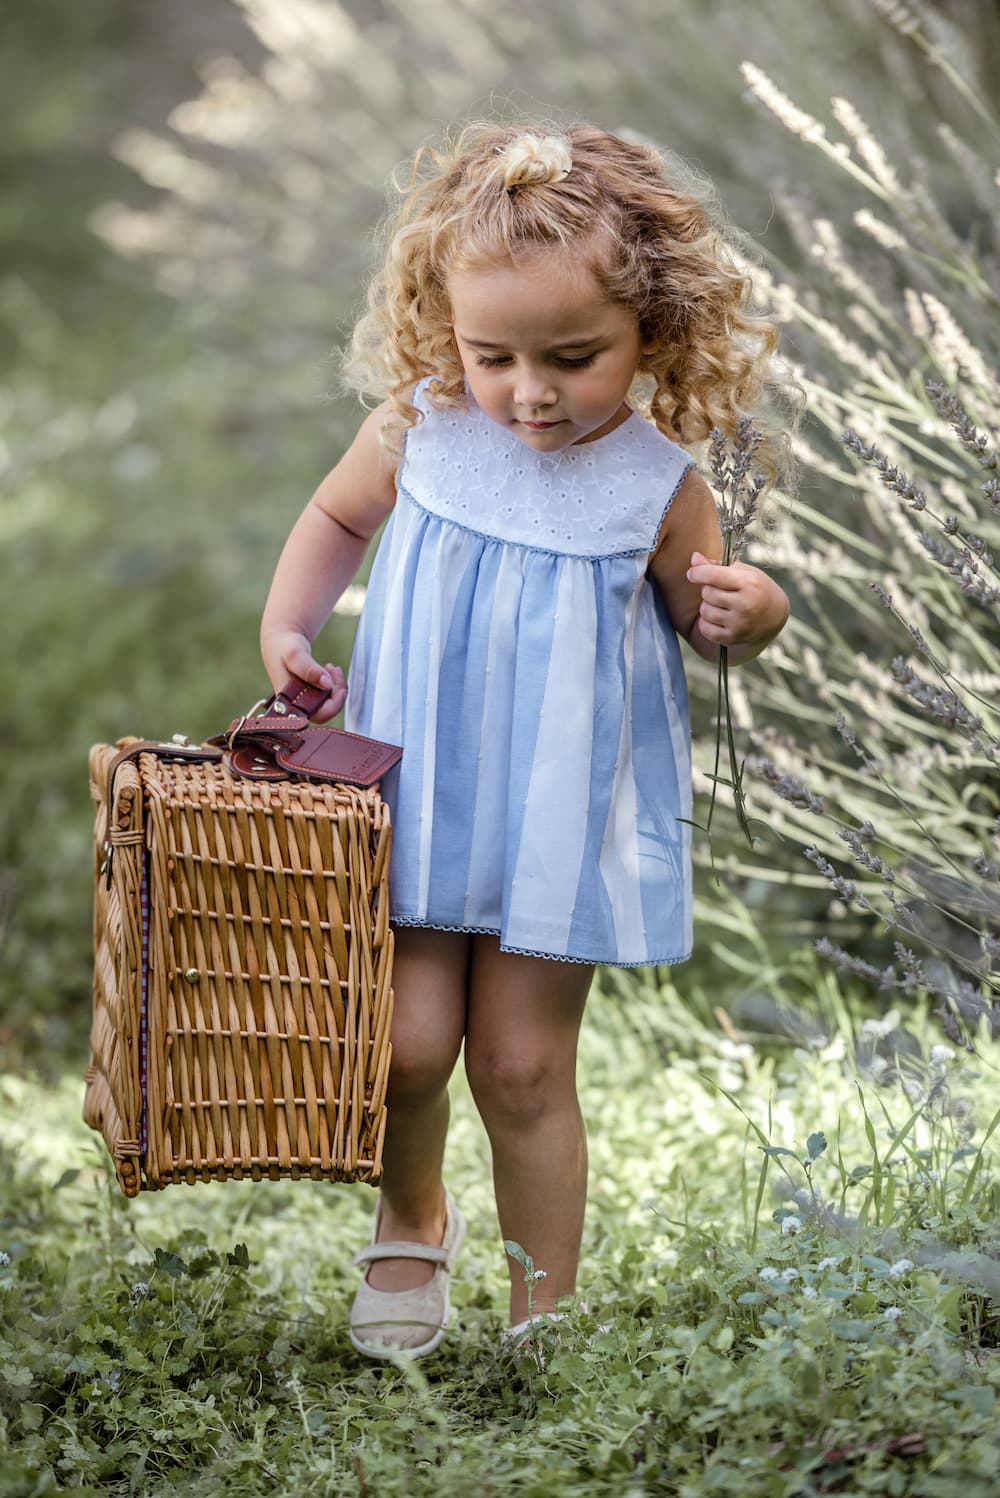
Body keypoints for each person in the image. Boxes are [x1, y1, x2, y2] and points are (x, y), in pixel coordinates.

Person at [260, 121, 791, 1360]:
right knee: (403, 1045)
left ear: (651, 333)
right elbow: (336, 517)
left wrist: (748, 612)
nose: (529, 392)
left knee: (518, 1063)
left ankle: (540, 1308)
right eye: (490, 354)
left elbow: (701, 623)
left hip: (560, 813)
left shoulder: (660, 484)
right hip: (420, 786)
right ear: (444, 328)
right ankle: (412, 1219)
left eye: (572, 356)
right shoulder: (422, 429)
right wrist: (289, 627)